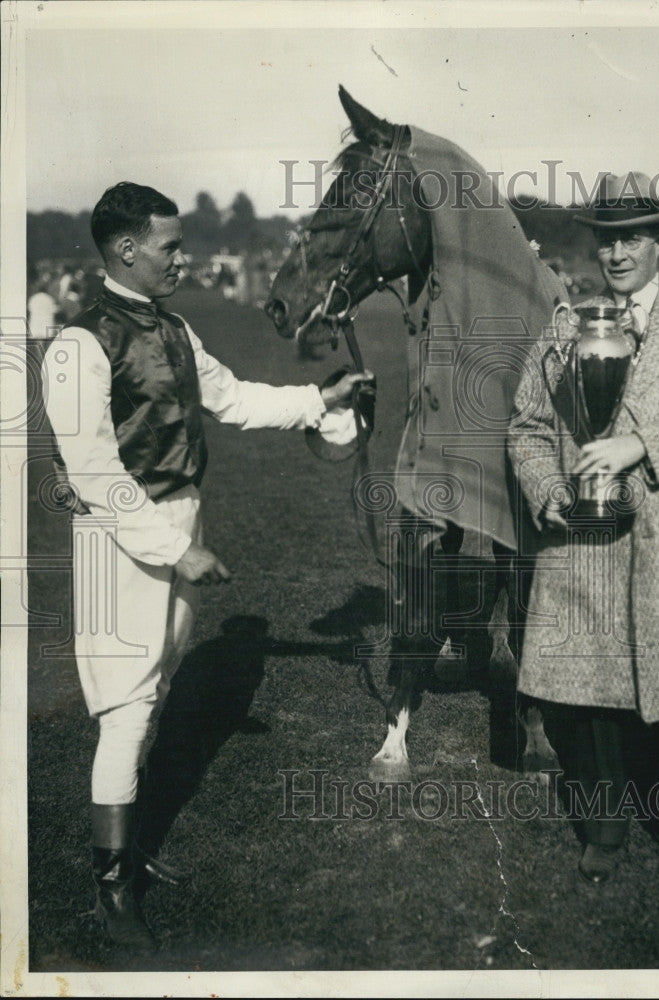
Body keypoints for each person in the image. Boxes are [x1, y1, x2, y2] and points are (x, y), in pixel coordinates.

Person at [42, 182, 373, 950]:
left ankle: (131, 848)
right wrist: (174, 545)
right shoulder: (79, 342)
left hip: (177, 517)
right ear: (127, 249)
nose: (183, 259)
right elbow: (90, 471)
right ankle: (112, 889)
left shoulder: (176, 327)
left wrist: (321, 397)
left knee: (154, 691)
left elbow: (232, 399)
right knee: (125, 711)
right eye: (171, 246)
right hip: (119, 536)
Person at [508, 172, 659, 885]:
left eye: (631, 239)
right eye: (606, 240)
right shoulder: (562, 328)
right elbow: (525, 426)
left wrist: (643, 444)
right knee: (587, 692)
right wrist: (549, 489)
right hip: (583, 537)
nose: (616, 254)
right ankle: (605, 828)